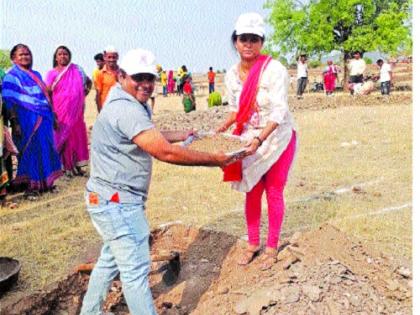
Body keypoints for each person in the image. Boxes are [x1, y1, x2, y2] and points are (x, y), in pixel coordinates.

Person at [80, 48, 242, 315]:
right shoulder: (125, 108)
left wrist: (181, 133)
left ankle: (90, 312)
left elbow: (147, 133)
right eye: (138, 78)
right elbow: (164, 151)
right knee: (135, 273)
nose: (145, 84)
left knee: (110, 259)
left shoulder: (127, 99)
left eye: (150, 78)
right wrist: (216, 159)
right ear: (121, 75)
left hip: (107, 197)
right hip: (116, 203)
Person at [216, 13, 297, 270]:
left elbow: (279, 111)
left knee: (274, 190)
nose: (248, 44)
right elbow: (235, 109)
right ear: (235, 42)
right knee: (252, 190)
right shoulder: (230, 75)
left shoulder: (274, 70)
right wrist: (222, 128)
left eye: (254, 39)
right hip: (249, 137)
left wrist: (261, 138)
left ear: (261, 42)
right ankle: (253, 243)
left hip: (277, 137)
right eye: (243, 39)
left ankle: (272, 246)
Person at [2, 44, 62, 199]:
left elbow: (45, 98)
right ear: (13, 58)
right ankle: (30, 187)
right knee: (30, 151)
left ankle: (46, 184)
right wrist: (14, 123)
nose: (25, 57)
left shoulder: (36, 74)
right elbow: (9, 102)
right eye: (21, 54)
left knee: (45, 149)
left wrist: (53, 115)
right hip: (24, 121)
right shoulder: (11, 76)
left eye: (27, 54)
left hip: (44, 118)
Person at [45, 46, 92, 178]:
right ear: (56, 57)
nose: (63, 56)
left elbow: (88, 82)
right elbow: (47, 91)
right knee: (61, 136)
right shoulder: (52, 73)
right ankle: (64, 167)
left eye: (65, 54)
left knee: (75, 136)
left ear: (69, 56)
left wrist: (82, 94)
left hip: (76, 112)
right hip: (60, 111)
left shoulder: (77, 70)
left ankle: (76, 166)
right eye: (60, 54)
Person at [94, 46, 119, 112]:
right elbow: (98, 95)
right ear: (105, 57)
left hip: (120, 109)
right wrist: (100, 112)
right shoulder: (99, 74)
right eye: (109, 57)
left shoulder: (122, 73)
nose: (112, 59)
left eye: (114, 57)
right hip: (105, 109)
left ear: (117, 57)